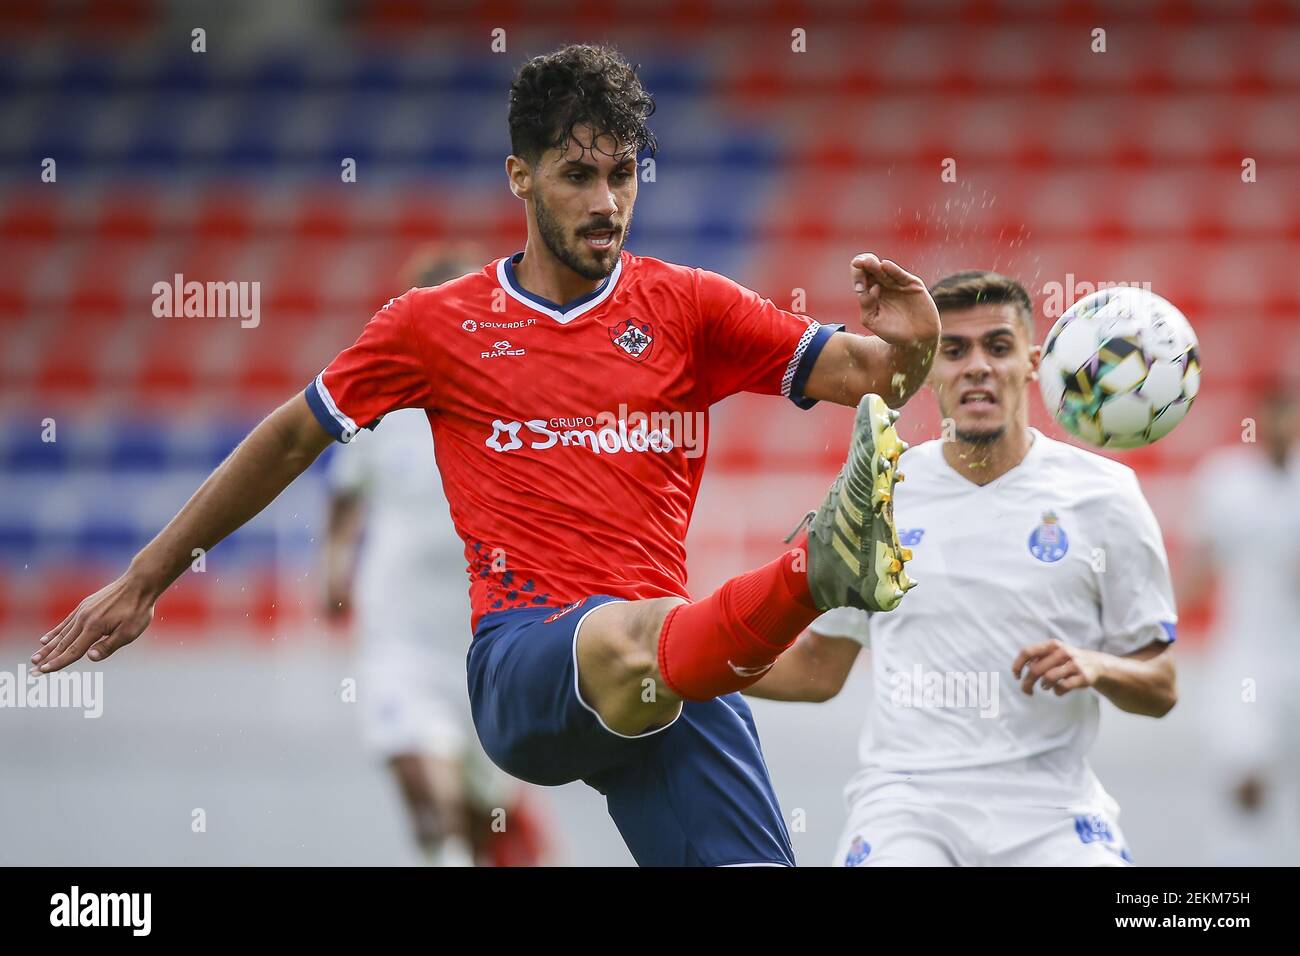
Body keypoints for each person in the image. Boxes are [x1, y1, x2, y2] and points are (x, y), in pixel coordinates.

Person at [33, 44, 939, 867]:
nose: (606, 202)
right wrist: (148, 577)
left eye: (623, 174)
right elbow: (290, 434)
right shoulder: (436, 325)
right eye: (578, 175)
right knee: (640, 632)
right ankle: (814, 570)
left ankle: (814, 571)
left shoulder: (691, 307)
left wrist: (919, 341)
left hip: (671, 665)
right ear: (521, 176)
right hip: (525, 661)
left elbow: (880, 380)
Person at [747, 270, 1179, 866]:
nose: (977, 365)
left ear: (1031, 364)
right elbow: (819, 671)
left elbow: (1160, 685)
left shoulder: (1105, 496)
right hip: (908, 806)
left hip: (1052, 813)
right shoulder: (879, 491)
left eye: (997, 347)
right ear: (929, 369)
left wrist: (1097, 665)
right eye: (954, 350)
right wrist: (689, 663)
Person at [323, 248, 551, 866]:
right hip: (400, 635)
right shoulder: (381, 403)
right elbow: (346, 493)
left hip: (485, 639)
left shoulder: (523, 396)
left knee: (491, 816)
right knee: (428, 795)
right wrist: (334, 567)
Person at [1179, 383, 1300, 863]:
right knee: (1246, 772)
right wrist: (1163, 627)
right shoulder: (1227, 480)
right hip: (1245, 655)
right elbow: (1202, 565)